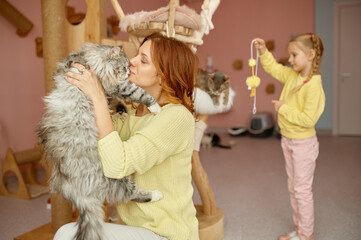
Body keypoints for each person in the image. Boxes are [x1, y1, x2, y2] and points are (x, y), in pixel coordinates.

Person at [54, 33, 200, 240]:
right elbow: (99, 151)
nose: (131, 61)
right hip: (135, 229)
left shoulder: (177, 117)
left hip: (167, 234)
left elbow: (116, 165)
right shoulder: (132, 112)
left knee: (68, 235)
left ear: (164, 75)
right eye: (136, 56)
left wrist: (97, 96)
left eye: (143, 60)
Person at [253, 33, 325, 240]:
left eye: (294, 55)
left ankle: (306, 234)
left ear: (311, 54)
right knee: (294, 189)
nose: (290, 60)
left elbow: (308, 119)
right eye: (289, 56)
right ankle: (300, 228)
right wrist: (263, 52)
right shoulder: (292, 76)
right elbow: (274, 68)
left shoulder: (313, 86)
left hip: (303, 143)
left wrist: (283, 109)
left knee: (302, 190)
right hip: (289, 140)